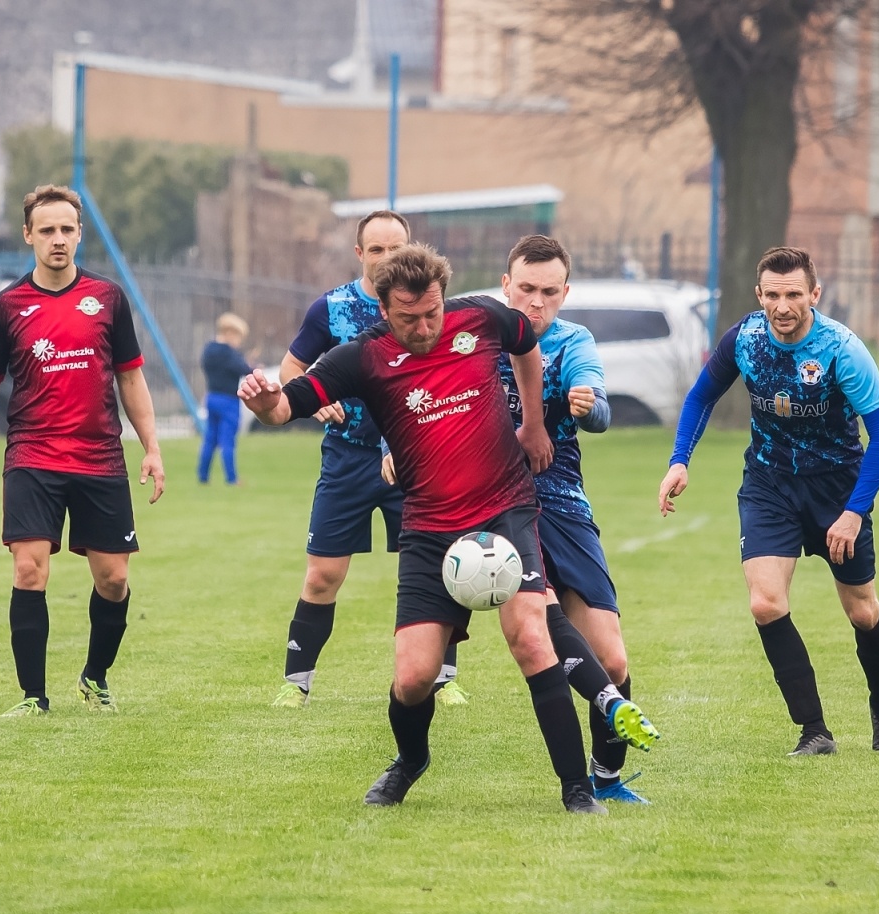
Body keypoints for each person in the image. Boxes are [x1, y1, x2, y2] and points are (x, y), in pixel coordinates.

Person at [241, 244, 610, 814]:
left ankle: (576, 789)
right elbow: (285, 409)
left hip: (504, 510)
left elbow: (528, 346)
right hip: (429, 528)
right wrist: (265, 403)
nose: (425, 327)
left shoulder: (481, 317)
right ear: (384, 310)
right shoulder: (360, 357)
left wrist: (534, 425)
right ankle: (410, 760)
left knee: (532, 638)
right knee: (413, 678)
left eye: (432, 313)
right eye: (409, 318)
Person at [659, 246, 879, 756]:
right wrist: (680, 459)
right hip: (769, 484)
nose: (783, 305)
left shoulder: (841, 349)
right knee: (766, 602)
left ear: (814, 294)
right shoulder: (744, 338)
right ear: (759, 295)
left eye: (794, 294)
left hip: (838, 490)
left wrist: (854, 513)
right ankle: (814, 731)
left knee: (862, 612)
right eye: (773, 294)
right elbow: (700, 396)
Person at [0, 184, 164, 717]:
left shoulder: (108, 299)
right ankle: (33, 698)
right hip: (33, 457)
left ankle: (95, 676)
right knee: (29, 570)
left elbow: (131, 380)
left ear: (79, 233)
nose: (58, 240)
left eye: (67, 229)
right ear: (28, 236)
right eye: (47, 231)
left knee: (113, 579)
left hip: (100, 458)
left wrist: (152, 448)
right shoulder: (8, 307)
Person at [272, 210, 467, 710]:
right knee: (322, 574)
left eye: (395, 247)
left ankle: (444, 678)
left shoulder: (426, 305)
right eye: (376, 249)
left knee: (437, 567)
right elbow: (292, 367)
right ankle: (296, 682)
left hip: (417, 457)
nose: (387, 257)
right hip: (348, 457)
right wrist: (316, 404)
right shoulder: (332, 308)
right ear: (359, 254)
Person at [493, 235, 658, 801]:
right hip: (498, 503)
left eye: (548, 292)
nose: (536, 303)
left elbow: (603, 413)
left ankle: (607, 779)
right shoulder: (476, 342)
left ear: (565, 293)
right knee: (540, 618)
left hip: (563, 501)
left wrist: (590, 407)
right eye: (527, 290)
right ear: (505, 286)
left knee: (611, 657)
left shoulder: (574, 342)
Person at [198, 312, 252, 485]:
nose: (239, 342)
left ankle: (203, 476)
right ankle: (232, 478)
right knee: (228, 440)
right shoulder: (229, 353)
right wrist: (252, 366)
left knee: (209, 439)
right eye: (238, 337)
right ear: (230, 333)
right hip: (228, 400)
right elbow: (244, 369)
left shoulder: (208, 350)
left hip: (212, 397)